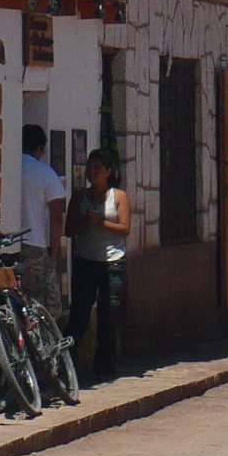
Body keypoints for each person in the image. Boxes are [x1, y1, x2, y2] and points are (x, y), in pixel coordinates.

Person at [65, 146, 130, 382]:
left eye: (97, 168)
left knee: (108, 315)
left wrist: (102, 222)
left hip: (112, 263)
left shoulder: (118, 196)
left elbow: (125, 229)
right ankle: (66, 365)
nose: (91, 173)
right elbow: (69, 230)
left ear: (108, 171)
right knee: (79, 314)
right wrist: (84, 221)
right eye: (89, 168)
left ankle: (105, 366)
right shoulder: (80, 197)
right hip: (85, 262)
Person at [16, 125, 67, 318]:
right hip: (35, 245)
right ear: (39, 149)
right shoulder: (45, 173)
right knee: (48, 306)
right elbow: (56, 215)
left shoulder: (10, 167)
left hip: (8, 245)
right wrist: (53, 251)